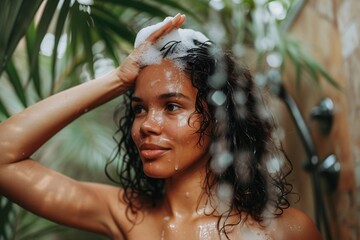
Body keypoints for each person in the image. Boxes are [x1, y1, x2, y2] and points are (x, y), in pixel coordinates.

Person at [0, 14, 321, 239]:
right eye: (139, 109)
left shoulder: (285, 232)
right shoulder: (128, 216)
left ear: (221, 118)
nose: (146, 126)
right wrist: (116, 79)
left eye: (171, 106)